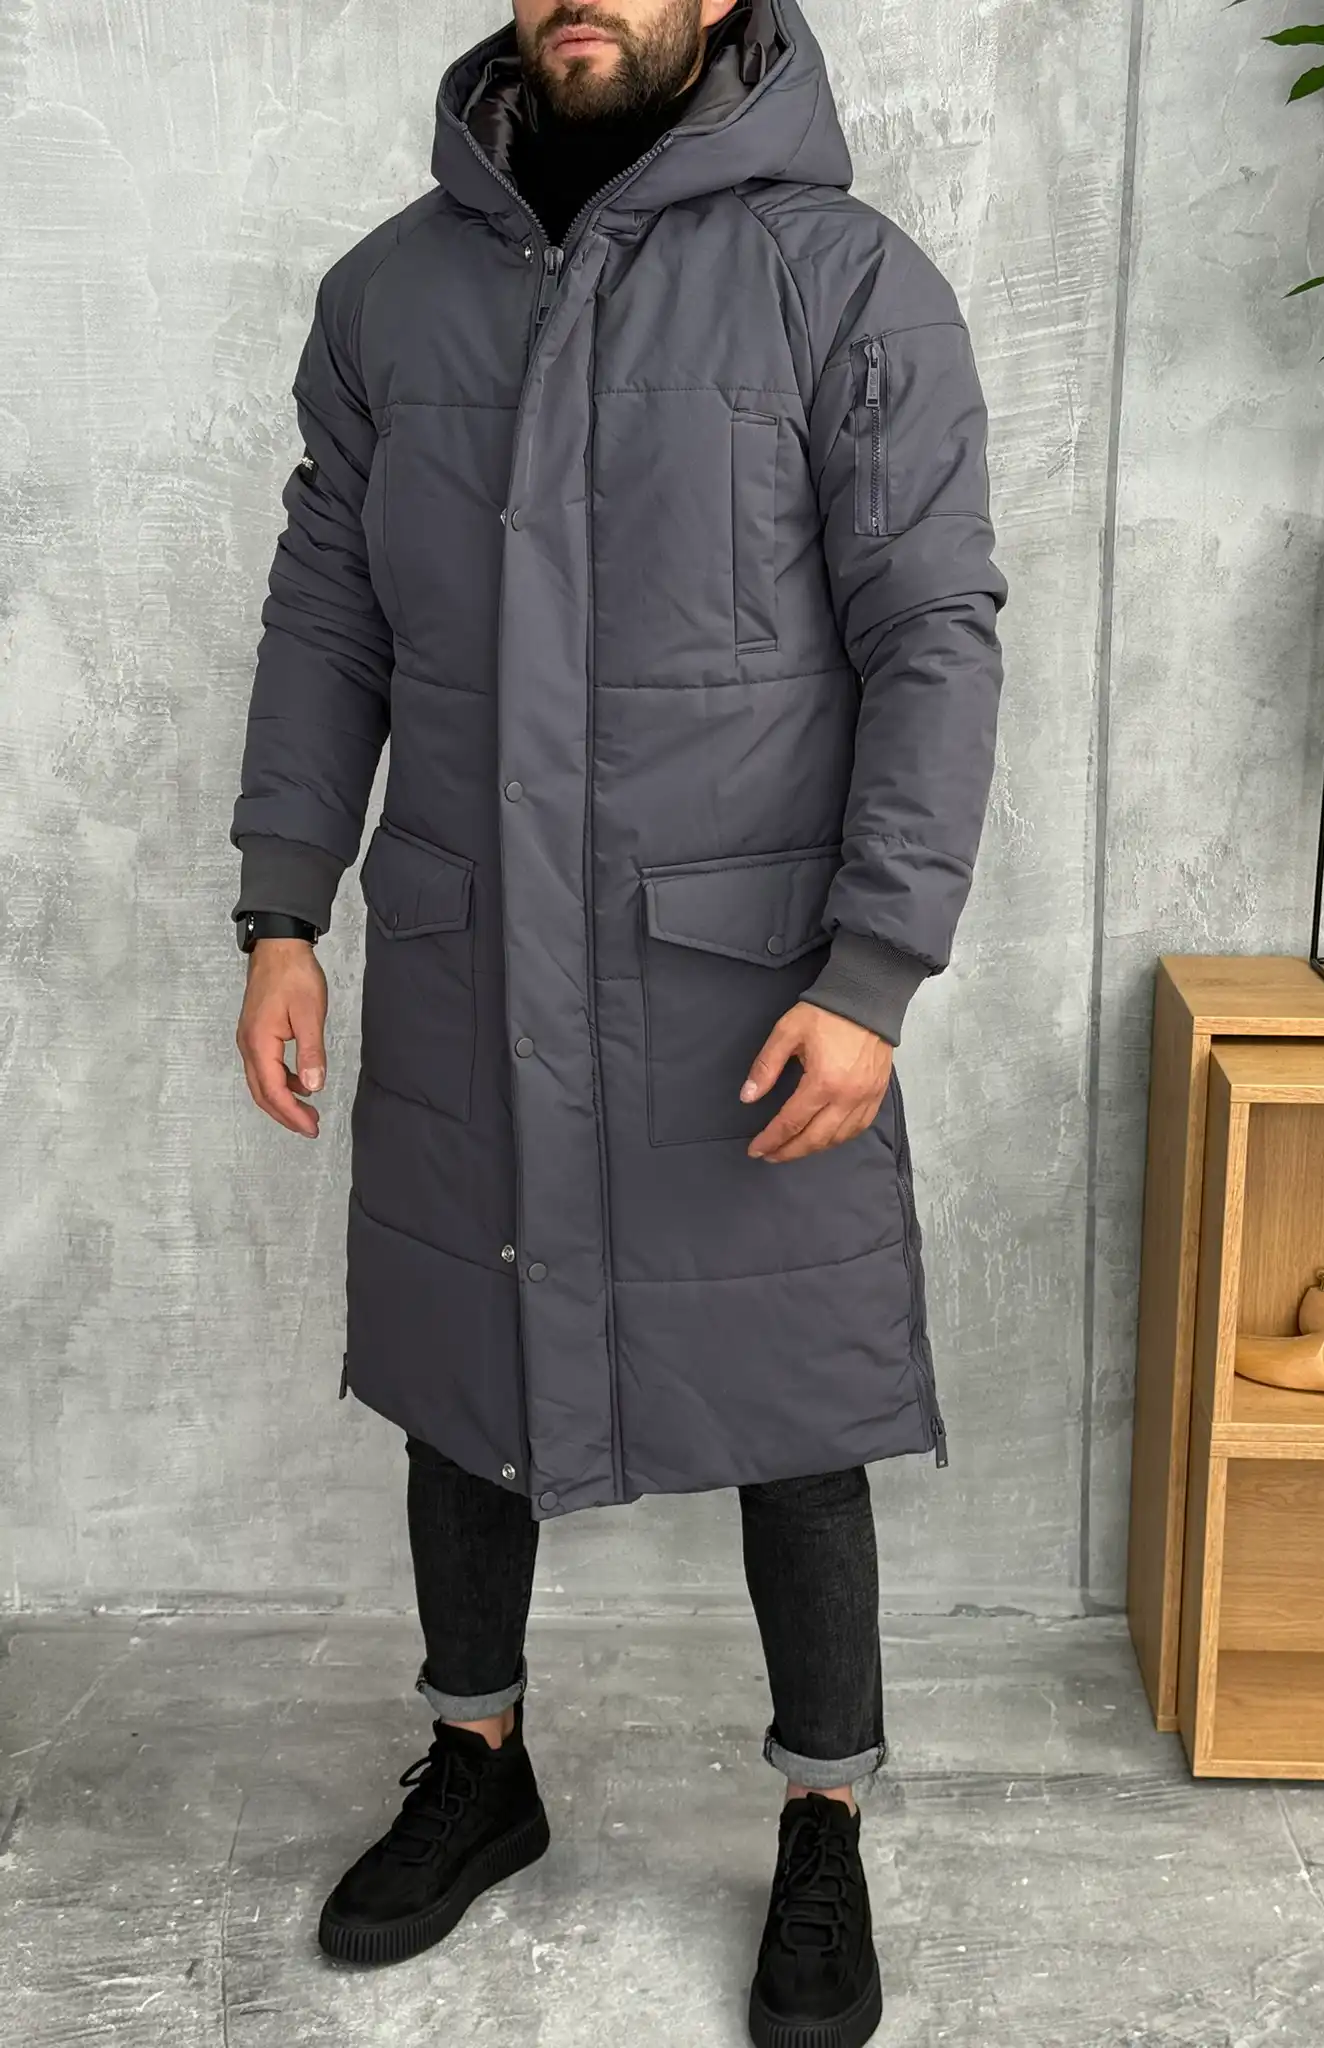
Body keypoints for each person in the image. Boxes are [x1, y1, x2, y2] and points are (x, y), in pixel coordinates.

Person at [229, 0, 1005, 2039]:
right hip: (473, 943)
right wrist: (283, 907)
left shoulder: (846, 284)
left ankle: (824, 1820)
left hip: (742, 981)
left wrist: (875, 972)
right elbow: (327, 607)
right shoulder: (388, 297)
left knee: (796, 1402)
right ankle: (477, 1764)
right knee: (459, 1359)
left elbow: (933, 636)